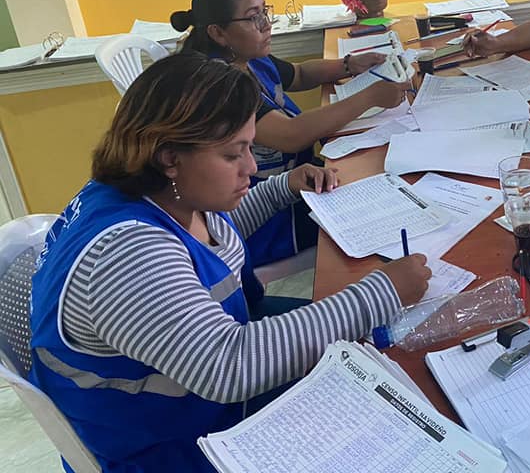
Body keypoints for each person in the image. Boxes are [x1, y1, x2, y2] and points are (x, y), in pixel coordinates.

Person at [30, 53, 431, 472]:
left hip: (196, 394)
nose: (251, 166)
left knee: (380, 353)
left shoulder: (157, 189)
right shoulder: (127, 255)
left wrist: (281, 188)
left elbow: (204, 241)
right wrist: (379, 293)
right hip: (169, 445)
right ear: (170, 157)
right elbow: (228, 365)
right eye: (233, 154)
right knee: (390, 411)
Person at [171, 0, 411, 266]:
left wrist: (347, 65)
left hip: (295, 180)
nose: (266, 24)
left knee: (375, 180)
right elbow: (290, 135)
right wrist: (369, 97)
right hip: (261, 211)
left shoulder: (249, 57)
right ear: (218, 33)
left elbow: (298, 74)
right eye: (253, 17)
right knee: (375, 208)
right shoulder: (219, 86)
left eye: (265, 12)